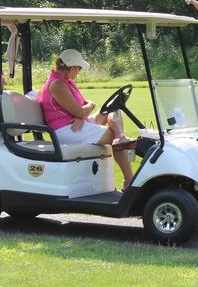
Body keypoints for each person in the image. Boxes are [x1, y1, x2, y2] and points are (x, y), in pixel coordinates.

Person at [38, 49, 135, 190]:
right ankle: (130, 183)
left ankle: (121, 136)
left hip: (77, 123)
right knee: (111, 134)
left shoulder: (67, 82)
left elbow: (85, 105)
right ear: (72, 68)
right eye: (79, 69)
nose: (79, 72)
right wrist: (82, 113)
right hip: (66, 130)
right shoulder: (57, 84)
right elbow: (83, 109)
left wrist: (82, 114)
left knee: (113, 108)